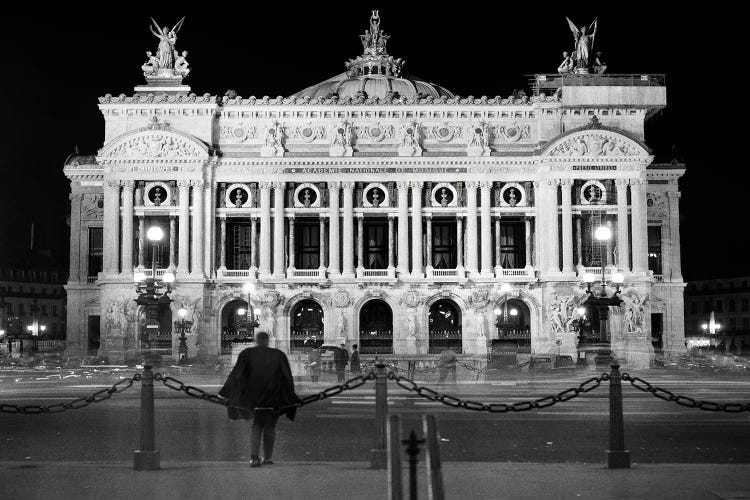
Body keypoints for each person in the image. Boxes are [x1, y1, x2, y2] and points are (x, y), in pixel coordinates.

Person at [219, 331, 299, 468]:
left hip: (254, 398)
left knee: (256, 426)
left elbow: (237, 375)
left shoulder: (247, 354)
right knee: (270, 427)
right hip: (273, 398)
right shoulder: (278, 355)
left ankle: (254, 457)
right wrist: (290, 397)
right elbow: (287, 378)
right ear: (268, 341)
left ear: (256, 340)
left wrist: (227, 393)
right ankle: (267, 457)